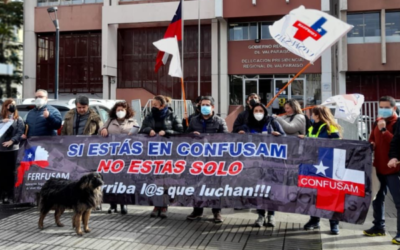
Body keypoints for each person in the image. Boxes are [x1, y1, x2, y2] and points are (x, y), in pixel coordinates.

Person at [241, 102, 285, 227]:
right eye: (256, 111)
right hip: (254, 163)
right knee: (258, 190)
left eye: (261, 110)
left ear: (265, 112)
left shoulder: (272, 122)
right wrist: (240, 135)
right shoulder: (247, 125)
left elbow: (285, 137)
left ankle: (271, 215)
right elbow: (236, 137)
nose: (258, 113)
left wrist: (279, 136)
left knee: (271, 189)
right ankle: (260, 215)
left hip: (271, 162)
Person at [299, 105, 341, 235]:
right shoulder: (312, 127)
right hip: (313, 164)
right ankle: (314, 220)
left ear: (318, 115)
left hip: (327, 165)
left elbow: (336, 142)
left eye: (313, 114)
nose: (311, 116)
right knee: (313, 194)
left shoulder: (330, 127)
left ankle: (334, 224)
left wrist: (310, 140)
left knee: (329, 195)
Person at [186, 96, 228, 223]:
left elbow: (226, 137)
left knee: (215, 185)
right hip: (198, 158)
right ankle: (197, 210)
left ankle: (217, 212)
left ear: (212, 107)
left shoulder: (219, 121)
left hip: (214, 158)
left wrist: (214, 138)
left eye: (207, 104)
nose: (204, 107)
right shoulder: (194, 120)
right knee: (197, 184)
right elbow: (186, 135)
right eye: (202, 104)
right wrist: (192, 135)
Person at [139, 95, 183, 218]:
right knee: (154, 179)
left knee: (166, 180)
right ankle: (156, 204)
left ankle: (164, 205)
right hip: (153, 153)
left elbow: (180, 131)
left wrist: (167, 132)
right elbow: (142, 129)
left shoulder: (173, 116)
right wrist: (148, 130)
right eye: (152, 104)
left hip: (168, 153)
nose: (152, 107)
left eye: (155, 105)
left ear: (162, 106)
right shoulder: (149, 116)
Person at [366, 96, 400, 245]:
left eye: (386, 107)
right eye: (381, 107)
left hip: (394, 169)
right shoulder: (377, 122)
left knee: (398, 202)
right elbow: (371, 139)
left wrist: (384, 130)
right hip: (379, 167)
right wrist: (372, 144)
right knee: (378, 199)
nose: (383, 110)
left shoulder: (397, 123)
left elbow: (396, 143)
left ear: (393, 108)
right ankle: (379, 226)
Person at [100, 101, 139, 215]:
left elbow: (139, 135)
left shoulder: (133, 122)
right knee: (111, 179)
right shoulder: (110, 121)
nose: (120, 112)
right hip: (111, 155)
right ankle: (112, 204)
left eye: (122, 110)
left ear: (127, 111)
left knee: (124, 180)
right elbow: (100, 131)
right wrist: (103, 130)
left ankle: (124, 204)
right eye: (118, 110)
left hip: (126, 156)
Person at [0, 99, 24, 204]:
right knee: (1, 172)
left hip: (12, 150)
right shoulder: (0, 118)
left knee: (10, 173)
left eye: (13, 105)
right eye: (9, 105)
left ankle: (9, 195)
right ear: (5, 106)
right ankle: (1, 194)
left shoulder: (18, 119)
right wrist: (1, 122)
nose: (11, 107)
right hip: (0, 150)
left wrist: (12, 141)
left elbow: (20, 132)